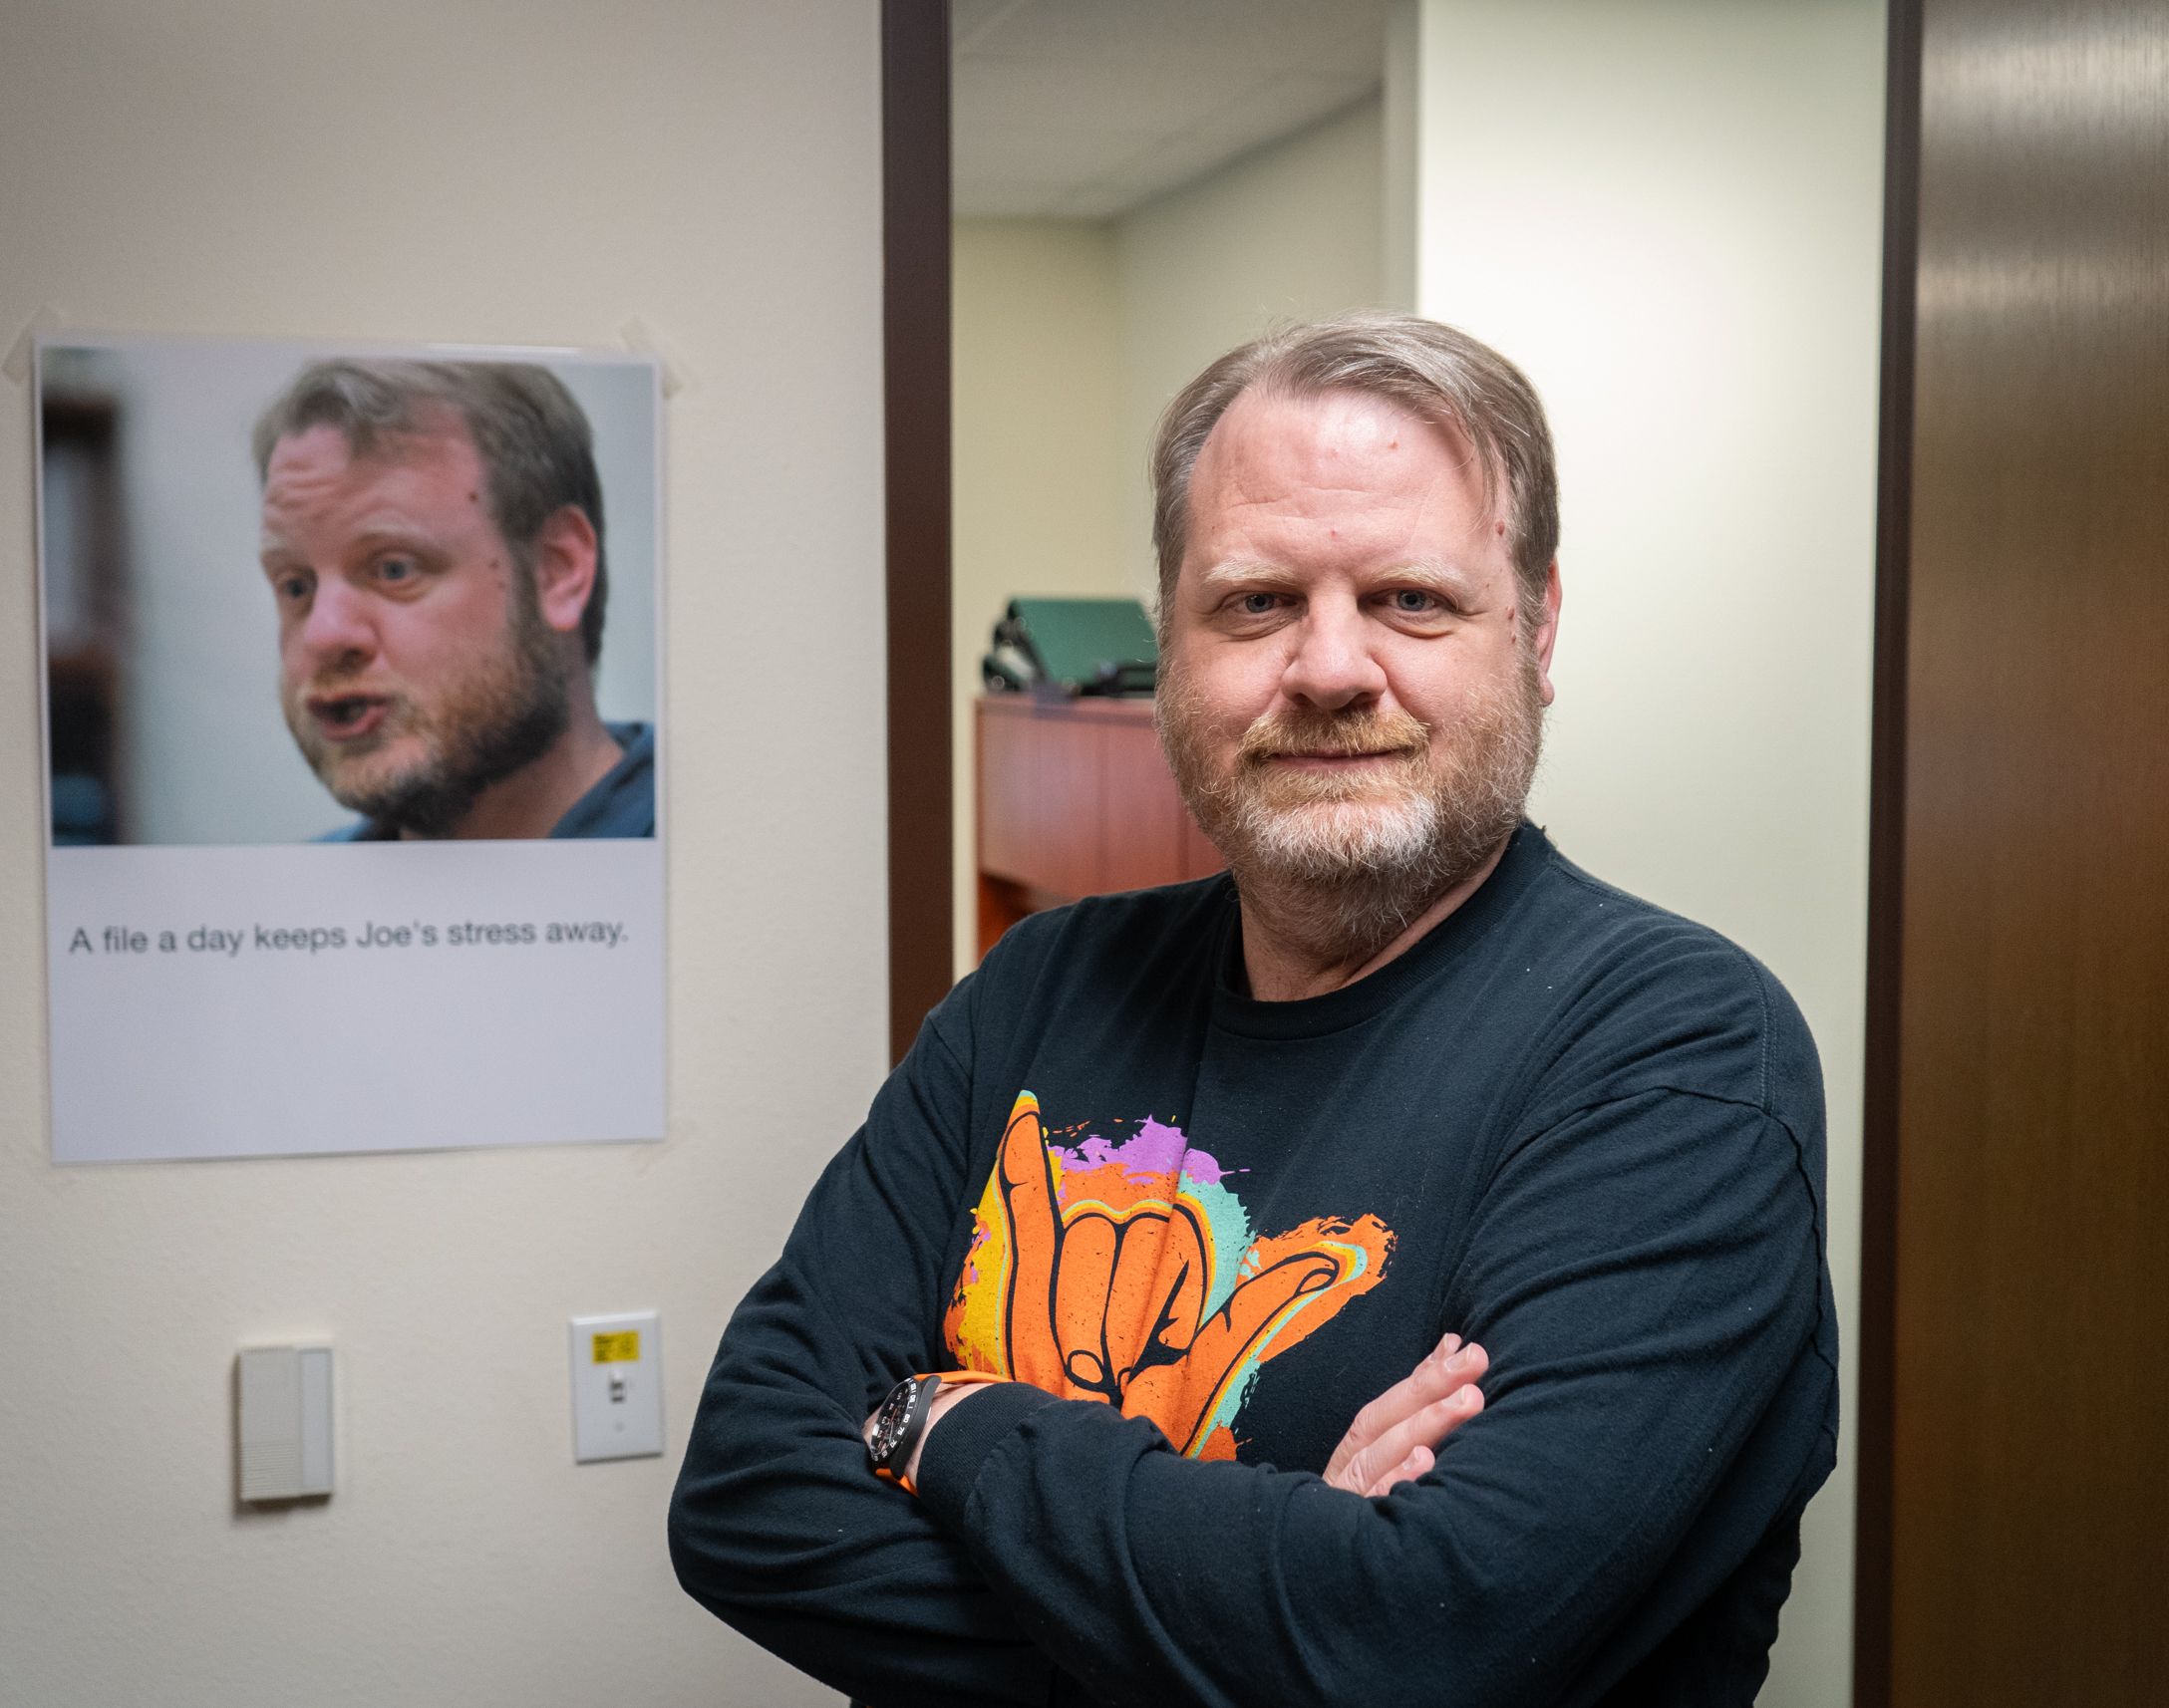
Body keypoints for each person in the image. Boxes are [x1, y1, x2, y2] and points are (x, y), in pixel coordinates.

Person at [668, 313, 1836, 1707]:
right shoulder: (1041, 987)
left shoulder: (1675, 1056)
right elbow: (744, 1493)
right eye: (1257, 602)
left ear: (1535, 627)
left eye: (1411, 598)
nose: (1332, 668)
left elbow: (1421, 1640)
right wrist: (1279, 1607)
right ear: (1171, 643)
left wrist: (949, 1424)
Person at [252, 359, 653, 840]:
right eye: (297, 586)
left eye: (394, 569)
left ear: (557, 571)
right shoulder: (292, 901)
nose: (323, 635)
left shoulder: (708, 857)